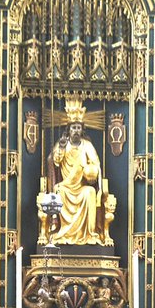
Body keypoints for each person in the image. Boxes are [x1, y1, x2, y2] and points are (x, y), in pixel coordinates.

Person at [48, 101, 106, 246]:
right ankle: (62, 231)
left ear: (82, 130)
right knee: (59, 191)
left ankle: (90, 233)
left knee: (90, 193)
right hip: (66, 187)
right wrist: (60, 149)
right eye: (73, 127)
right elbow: (55, 161)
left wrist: (89, 170)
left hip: (81, 186)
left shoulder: (87, 145)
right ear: (69, 129)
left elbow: (96, 165)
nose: (76, 130)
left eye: (78, 127)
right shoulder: (62, 144)